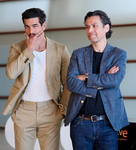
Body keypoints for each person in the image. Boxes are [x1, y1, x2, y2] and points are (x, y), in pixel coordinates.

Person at [2, 8, 71, 150]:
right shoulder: (17, 48)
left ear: (43, 26)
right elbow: (10, 73)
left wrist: (63, 109)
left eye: (35, 26)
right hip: (23, 110)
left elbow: (68, 83)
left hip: (51, 111)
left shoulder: (60, 49)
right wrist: (29, 50)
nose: (31, 31)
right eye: (27, 26)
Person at [64, 10, 129, 150]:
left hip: (108, 124)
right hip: (80, 123)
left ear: (106, 28)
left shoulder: (118, 54)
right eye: (87, 27)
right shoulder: (78, 54)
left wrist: (85, 78)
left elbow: (114, 81)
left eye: (94, 26)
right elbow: (71, 83)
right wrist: (102, 81)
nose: (90, 30)